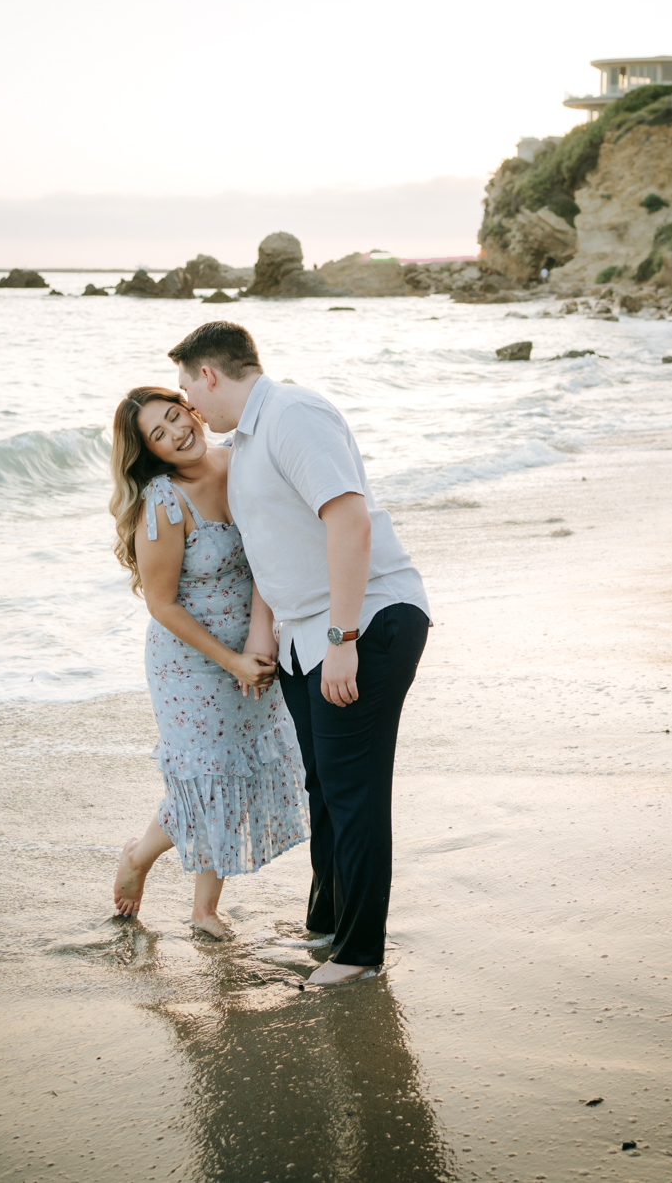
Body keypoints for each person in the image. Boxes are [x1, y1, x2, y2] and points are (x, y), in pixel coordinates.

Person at [168, 322, 431, 986]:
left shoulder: (293, 414)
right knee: (324, 789)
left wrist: (343, 640)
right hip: (306, 634)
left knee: (354, 792)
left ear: (208, 375)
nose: (192, 408)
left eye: (187, 389)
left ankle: (359, 953)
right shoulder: (246, 441)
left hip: (366, 620)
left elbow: (350, 520)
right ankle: (327, 921)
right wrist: (270, 635)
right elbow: (272, 548)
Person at [109, 385, 308, 938]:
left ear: (192, 408)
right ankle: (139, 857)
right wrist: (232, 661)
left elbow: (268, 552)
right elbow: (161, 603)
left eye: (176, 416)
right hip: (190, 663)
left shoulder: (239, 462)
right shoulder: (163, 502)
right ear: (152, 452)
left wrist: (258, 645)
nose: (177, 432)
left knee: (234, 774)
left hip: (253, 648)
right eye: (159, 434)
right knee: (209, 778)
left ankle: (203, 910)